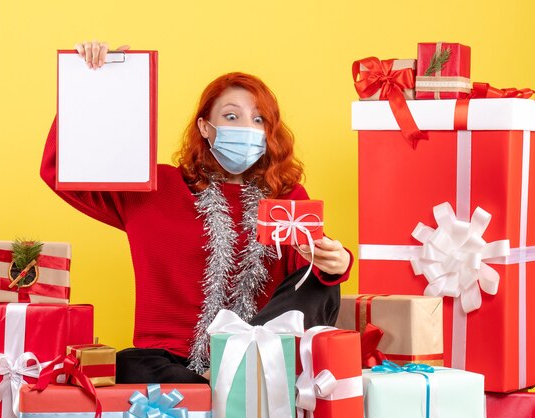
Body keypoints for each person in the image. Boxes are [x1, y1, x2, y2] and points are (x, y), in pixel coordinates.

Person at [41, 41, 353, 383]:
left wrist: (335, 262)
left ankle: (236, 363)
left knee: (323, 283)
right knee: (129, 365)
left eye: (259, 119)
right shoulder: (155, 187)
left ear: (269, 132)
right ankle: (215, 385)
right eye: (231, 116)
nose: (246, 127)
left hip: (258, 356)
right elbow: (60, 171)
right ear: (206, 127)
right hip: (168, 361)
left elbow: (308, 277)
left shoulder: (286, 197)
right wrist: (90, 84)